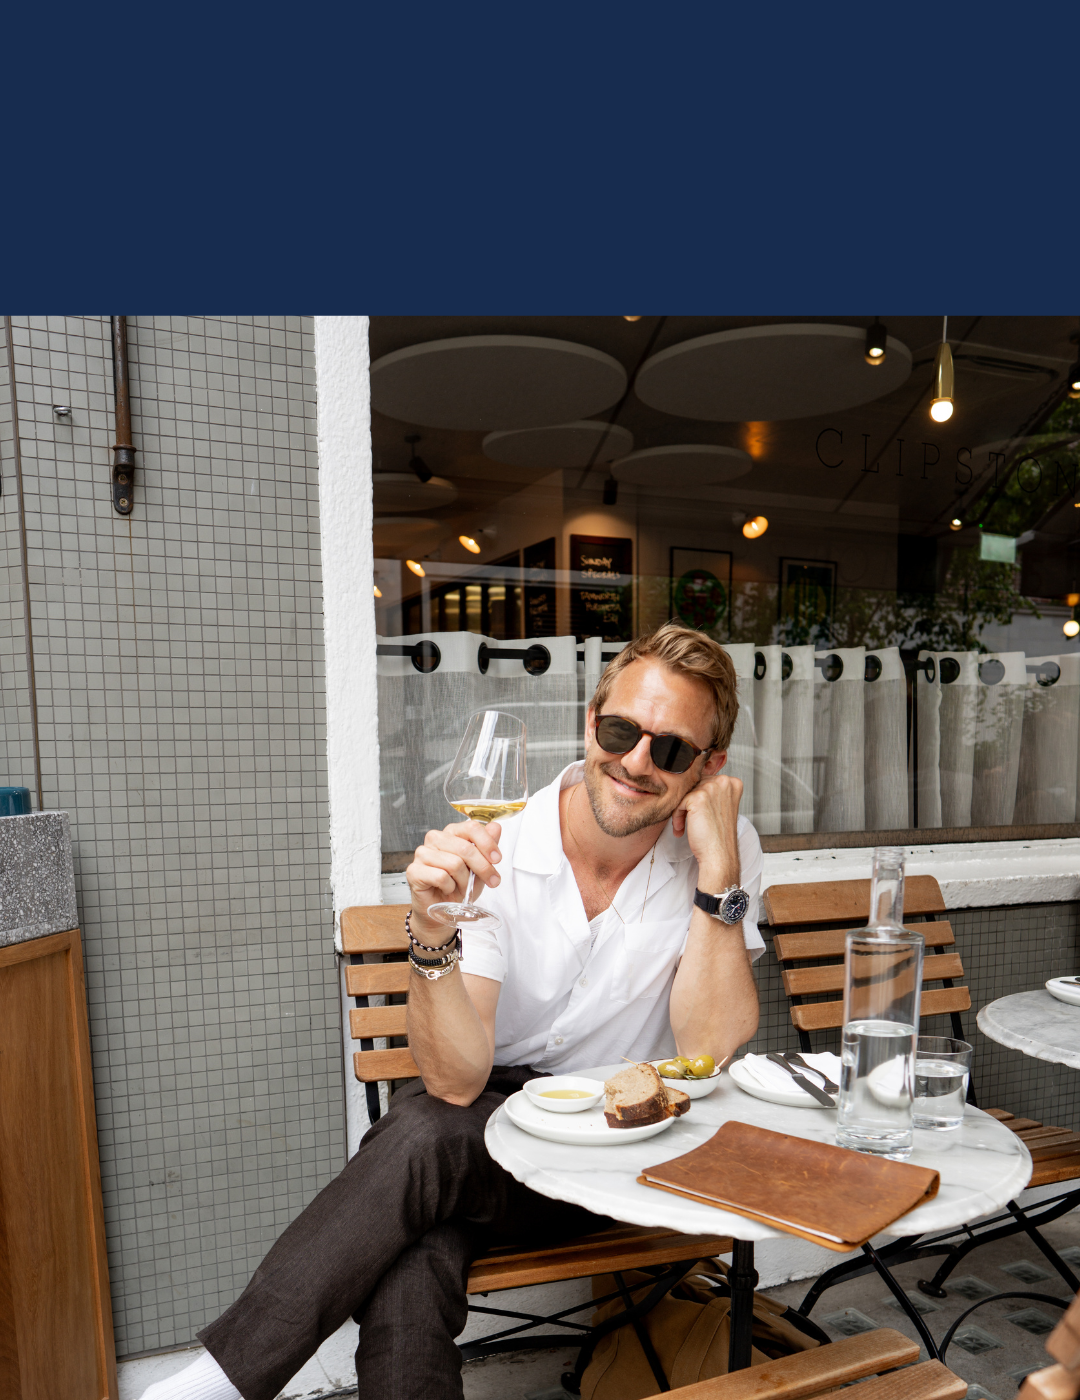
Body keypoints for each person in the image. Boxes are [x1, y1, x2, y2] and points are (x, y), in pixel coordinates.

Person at [142, 622, 763, 1400]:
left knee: (422, 1161)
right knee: (420, 1218)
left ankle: (217, 1384)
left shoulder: (722, 847)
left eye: (671, 750)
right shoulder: (502, 842)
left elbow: (707, 1047)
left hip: (619, 1154)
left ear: (710, 768)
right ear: (590, 725)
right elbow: (460, 1084)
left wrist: (721, 869)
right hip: (485, 1139)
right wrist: (433, 933)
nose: (638, 762)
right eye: (620, 731)